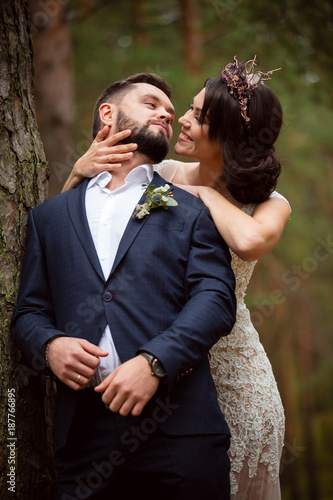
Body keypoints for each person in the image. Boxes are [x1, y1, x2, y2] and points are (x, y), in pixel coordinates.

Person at [63, 57, 291, 499]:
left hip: (237, 375)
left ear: (227, 134)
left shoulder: (269, 202)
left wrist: (203, 194)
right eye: (188, 108)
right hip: (162, 367)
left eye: (198, 116)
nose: (180, 120)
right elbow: (78, 236)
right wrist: (77, 172)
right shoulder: (160, 174)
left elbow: (248, 241)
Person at [11, 73, 237, 500]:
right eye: (152, 103)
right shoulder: (50, 217)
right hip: (82, 442)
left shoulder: (192, 208)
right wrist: (50, 346)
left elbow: (216, 298)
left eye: (171, 113)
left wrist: (155, 362)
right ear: (108, 114)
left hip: (179, 429)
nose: (167, 114)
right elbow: (28, 313)